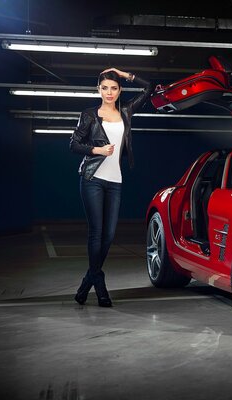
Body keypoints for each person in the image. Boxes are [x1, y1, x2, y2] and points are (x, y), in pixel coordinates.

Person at [70, 67, 153, 307]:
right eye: (104, 88)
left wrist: (122, 72)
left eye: (114, 88)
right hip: (92, 178)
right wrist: (96, 150)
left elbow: (149, 87)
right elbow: (73, 144)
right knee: (96, 233)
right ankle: (100, 285)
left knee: (109, 235)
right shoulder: (89, 115)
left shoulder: (126, 111)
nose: (109, 92)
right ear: (98, 90)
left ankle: (90, 279)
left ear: (120, 91)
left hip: (115, 181)